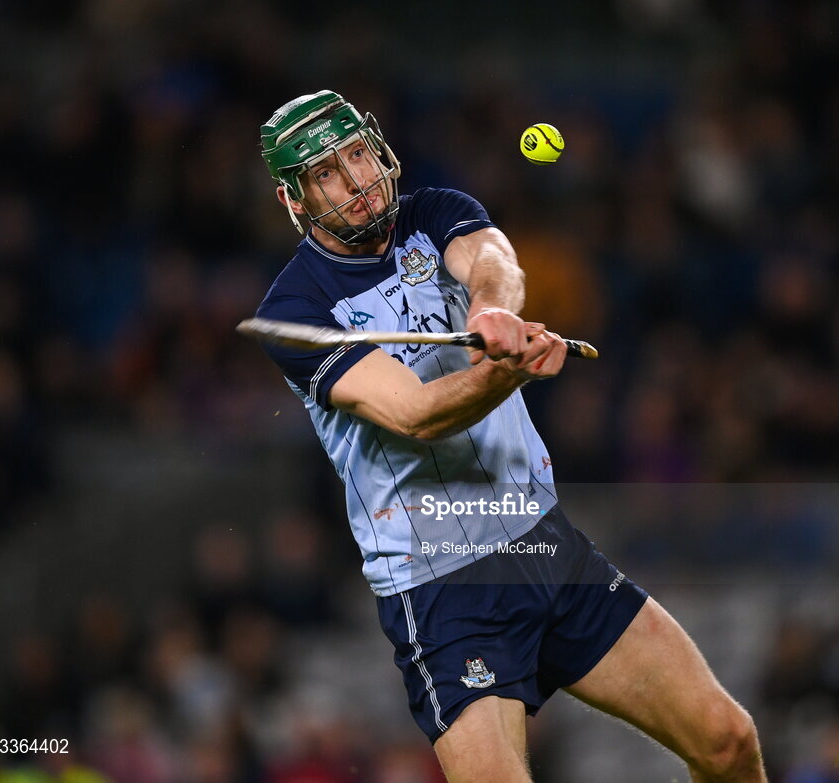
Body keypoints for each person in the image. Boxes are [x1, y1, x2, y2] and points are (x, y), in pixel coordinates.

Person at [254, 89, 767, 783]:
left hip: (543, 543)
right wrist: (510, 371)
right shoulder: (298, 308)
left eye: (356, 156)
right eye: (327, 174)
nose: (355, 181)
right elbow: (415, 414)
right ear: (297, 200)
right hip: (441, 585)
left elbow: (493, 257)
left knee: (728, 739)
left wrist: (494, 311)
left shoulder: (434, 212)